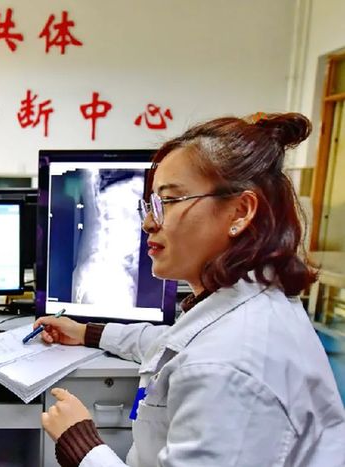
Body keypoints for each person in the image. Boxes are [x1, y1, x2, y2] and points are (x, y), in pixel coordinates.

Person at [36, 112, 345, 466]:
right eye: (150, 205)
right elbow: (171, 343)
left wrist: (82, 446)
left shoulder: (228, 367)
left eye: (168, 202)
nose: (148, 223)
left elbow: (204, 357)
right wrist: (87, 332)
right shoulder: (243, 304)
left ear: (240, 212)